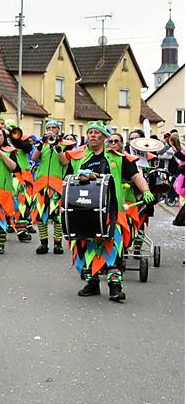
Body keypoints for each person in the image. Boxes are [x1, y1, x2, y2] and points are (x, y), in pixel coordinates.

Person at [64, 121, 154, 302]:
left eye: (97, 133)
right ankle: (92, 283)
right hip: (83, 210)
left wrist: (146, 191)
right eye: (90, 133)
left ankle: (115, 287)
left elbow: (136, 175)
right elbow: (67, 181)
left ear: (104, 137)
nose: (93, 136)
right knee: (86, 247)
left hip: (112, 211)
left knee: (113, 248)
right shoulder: (77, 158)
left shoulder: (118, 158)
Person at [30, 120, 70, 255]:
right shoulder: (42, 145)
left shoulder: (65, 145)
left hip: (57, 185)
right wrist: (41, 144)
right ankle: (43, 243)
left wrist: (58, 148)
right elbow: (34, 158)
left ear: (58, 130)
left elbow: (65, 162)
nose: (51, 129)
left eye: (54, 127)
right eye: (49, 127)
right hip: (41, 184)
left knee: (57, 216)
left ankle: (58, 243)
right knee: (41, 215)